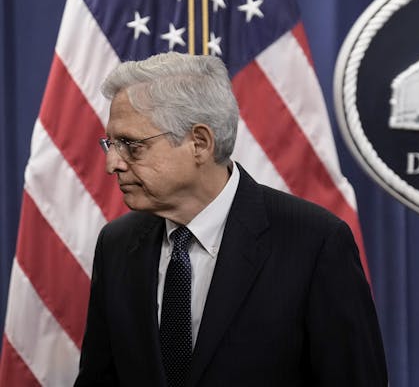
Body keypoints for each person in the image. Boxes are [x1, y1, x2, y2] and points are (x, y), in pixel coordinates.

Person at [74, 52, 388, 386]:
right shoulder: (117, 244)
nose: (112, 164)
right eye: (111, 143)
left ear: (200, 143)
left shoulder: (314, 244)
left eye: (131, 146)